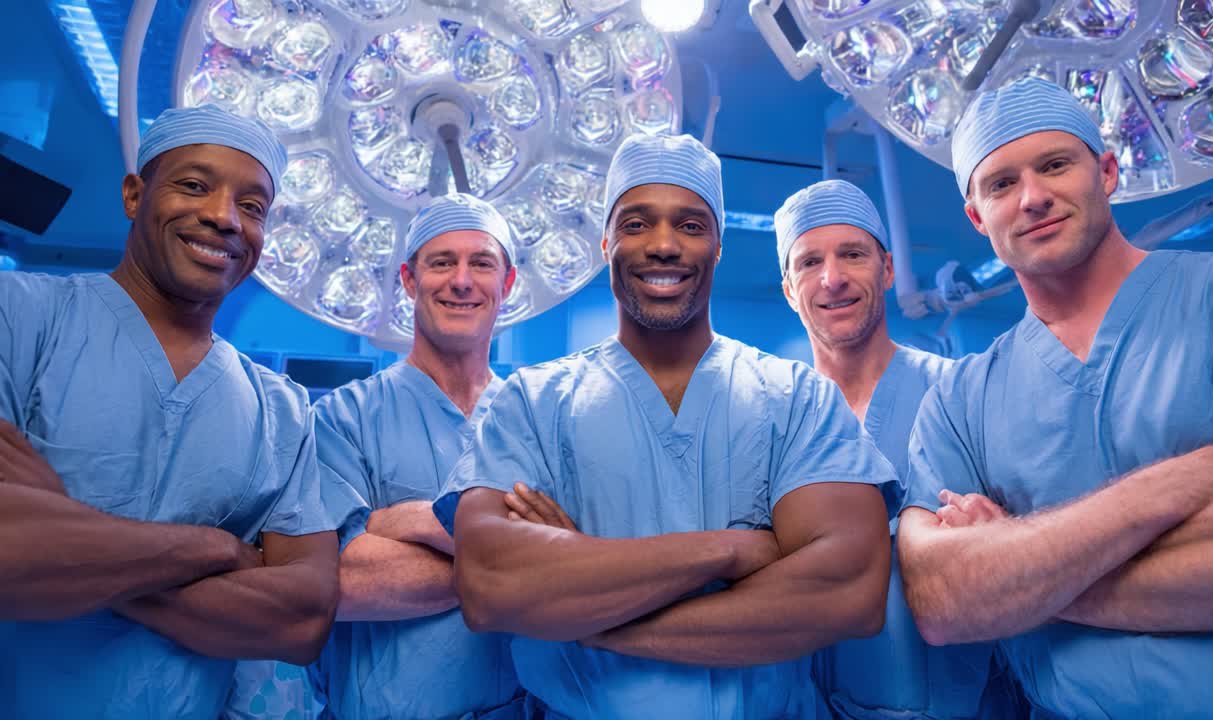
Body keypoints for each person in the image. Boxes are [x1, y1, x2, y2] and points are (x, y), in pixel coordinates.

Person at [434, 133, 897, 720]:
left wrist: (588, 614)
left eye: (691, 225)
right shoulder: (531, 403)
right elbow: (490, 585)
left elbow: (848, 592)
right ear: (605, 243)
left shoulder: (797, 398)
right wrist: (730, 550)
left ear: (719, 247)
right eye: (635, 224)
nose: (663, 245)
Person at [897, 76, 1213, 719]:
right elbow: (942, 600)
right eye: (1001, 184)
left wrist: (1020, 571)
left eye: (1054, 165)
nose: (1034, 198)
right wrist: (1192, 480)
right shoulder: (958, 402)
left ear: (1106, 171)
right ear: (976, 216)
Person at [0, 104, 361, 719]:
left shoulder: (280, 410)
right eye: (194, 185)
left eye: (253, 207)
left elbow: (302, 620)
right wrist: (214, 548)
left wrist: (68, 544)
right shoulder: (21, 318)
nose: (223, 218)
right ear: (134, 195)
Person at [225, 194, 525, 720]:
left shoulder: (532, 422)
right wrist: (514, 567)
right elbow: (340, 580)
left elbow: (573, 556)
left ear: (508, 284)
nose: (461, 280)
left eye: (481, 263)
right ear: (409, 281)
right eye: (441, 262)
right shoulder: (344, 419)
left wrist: (401, 522)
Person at [775, 179, 1022, 719]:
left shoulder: (964, 394)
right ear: (790, 289)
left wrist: (1002, 532)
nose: (833, 278)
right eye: (810, 262)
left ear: (887, 270)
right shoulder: (775, 419)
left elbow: (1026, 543)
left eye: (852, 255)